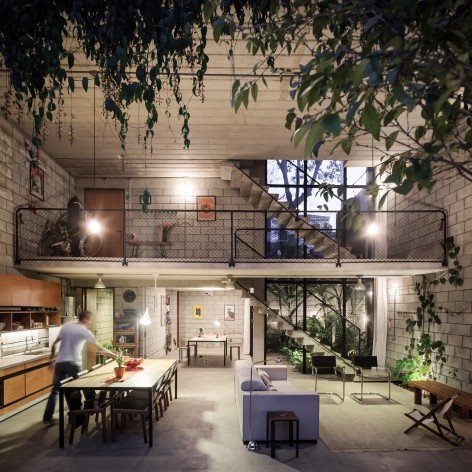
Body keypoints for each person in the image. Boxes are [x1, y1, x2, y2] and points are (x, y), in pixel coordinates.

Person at [43, 310, 117, 425]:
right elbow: (100, 348)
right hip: (73, 364)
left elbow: (54, 345)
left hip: (60, 363)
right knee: (79, 389)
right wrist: (116, 356)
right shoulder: (84, 331)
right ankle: (77, 417)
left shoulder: (66, 327)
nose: (91, 322)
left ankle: (47, 418)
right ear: (86, 319)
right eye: (90, 320)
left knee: (55, 391)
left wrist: (51, 361)